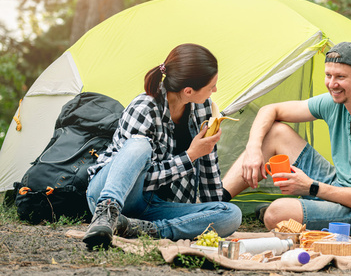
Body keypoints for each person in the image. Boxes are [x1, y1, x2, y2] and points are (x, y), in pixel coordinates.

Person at [222, 42, 351, 239]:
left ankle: (299, 211)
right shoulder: (336, 102)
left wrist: (311, 187)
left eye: (340, 77)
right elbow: (270, 110)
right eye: (328, 75)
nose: (332, 84)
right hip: (339, 185)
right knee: (275, 132)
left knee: (277, 213)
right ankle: (215, 201)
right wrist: (253, 149)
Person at [83, 43, 242, 249]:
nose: (215, 90)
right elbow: (133, 177)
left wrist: (214, 208)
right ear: (188, 91)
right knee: (140, 145)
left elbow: (208, 166)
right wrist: (190, 156)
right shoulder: (144, 109)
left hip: (151, 206)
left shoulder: (203, 108)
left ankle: (142, 229)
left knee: (230, 214)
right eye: (211, 86)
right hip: (113, 192)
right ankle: (106, 214)